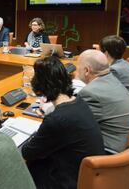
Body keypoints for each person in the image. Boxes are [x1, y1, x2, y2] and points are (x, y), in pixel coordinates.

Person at [22, 56, 104, 189]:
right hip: (89, 176)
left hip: (69, 181)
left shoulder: (56, 120)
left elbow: (27, 152)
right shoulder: (79, 102)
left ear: (39, 84)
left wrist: (35, 135)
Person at [77, 49, 129, 153]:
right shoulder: (111, 79)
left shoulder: (90, 93)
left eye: (78, 67)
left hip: (110, 151)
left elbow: (76, 125)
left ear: (86, 70)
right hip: (126, 142)